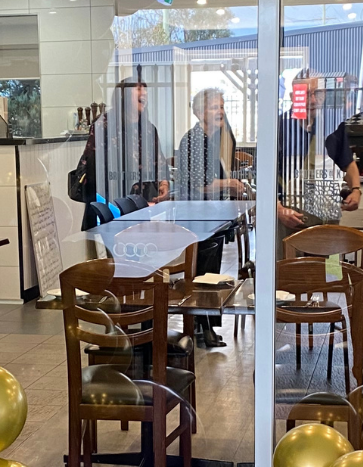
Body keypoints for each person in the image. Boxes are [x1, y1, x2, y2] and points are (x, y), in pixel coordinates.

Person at [176, 88, 248, 347]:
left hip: (209, 217)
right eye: (214, 107)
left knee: (210, 273)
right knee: (203, 274)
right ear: (198, 112)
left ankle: (205, 326)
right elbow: (200, 184)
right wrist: (230, 183)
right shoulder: (195, 140)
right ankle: (203, 328)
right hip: (197, 218)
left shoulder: (212, 139)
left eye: (222, 106)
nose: (220, 111)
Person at [71, 76, 169, 229]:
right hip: (111, 205)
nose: (144, 93)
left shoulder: (148, 129)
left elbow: (160, 162)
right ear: (123, 95)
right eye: (138, 88)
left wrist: (164, 183)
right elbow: (92, 166)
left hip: (143, 205)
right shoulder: (105, 124)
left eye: (145, 89)